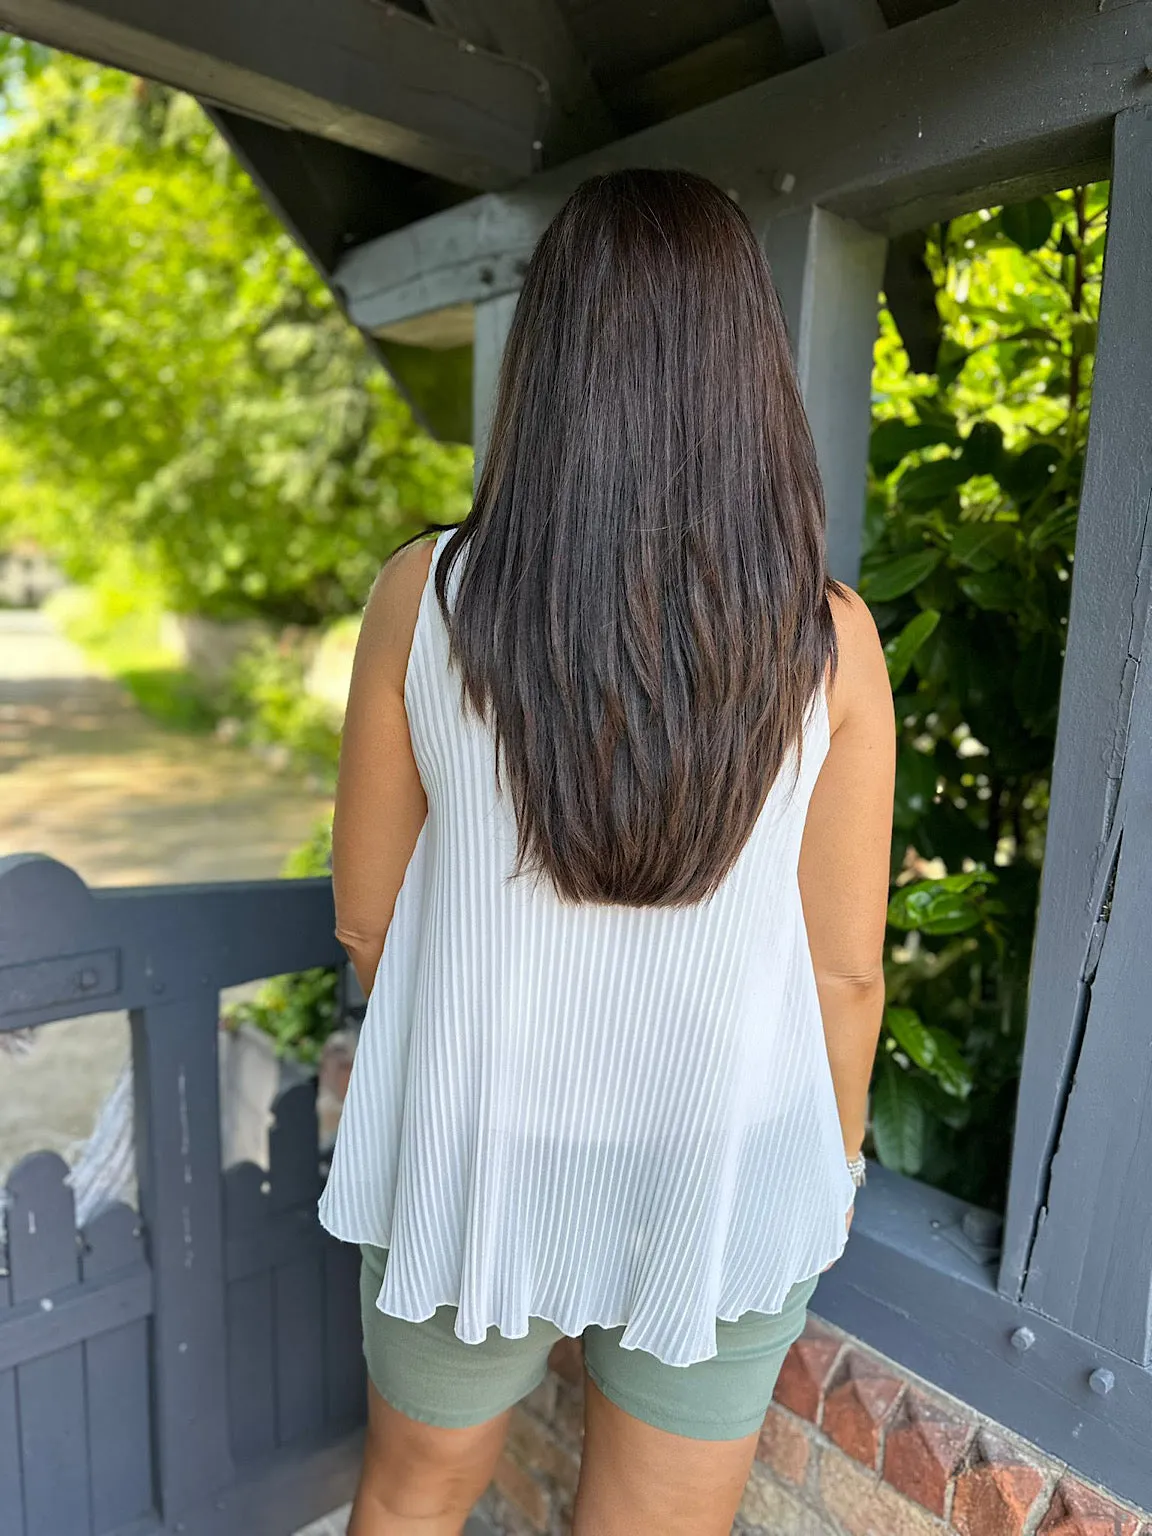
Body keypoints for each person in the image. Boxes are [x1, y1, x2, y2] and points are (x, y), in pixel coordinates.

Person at [320, 168, 895, 1536]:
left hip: (480, 1136)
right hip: (733, 1148)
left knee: (409, 1501)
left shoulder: (430, 597)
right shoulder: (829, 641)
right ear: (745, 371)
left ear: (551, 361)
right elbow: (843, 976)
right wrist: (832, 1161)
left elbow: (367, 921)